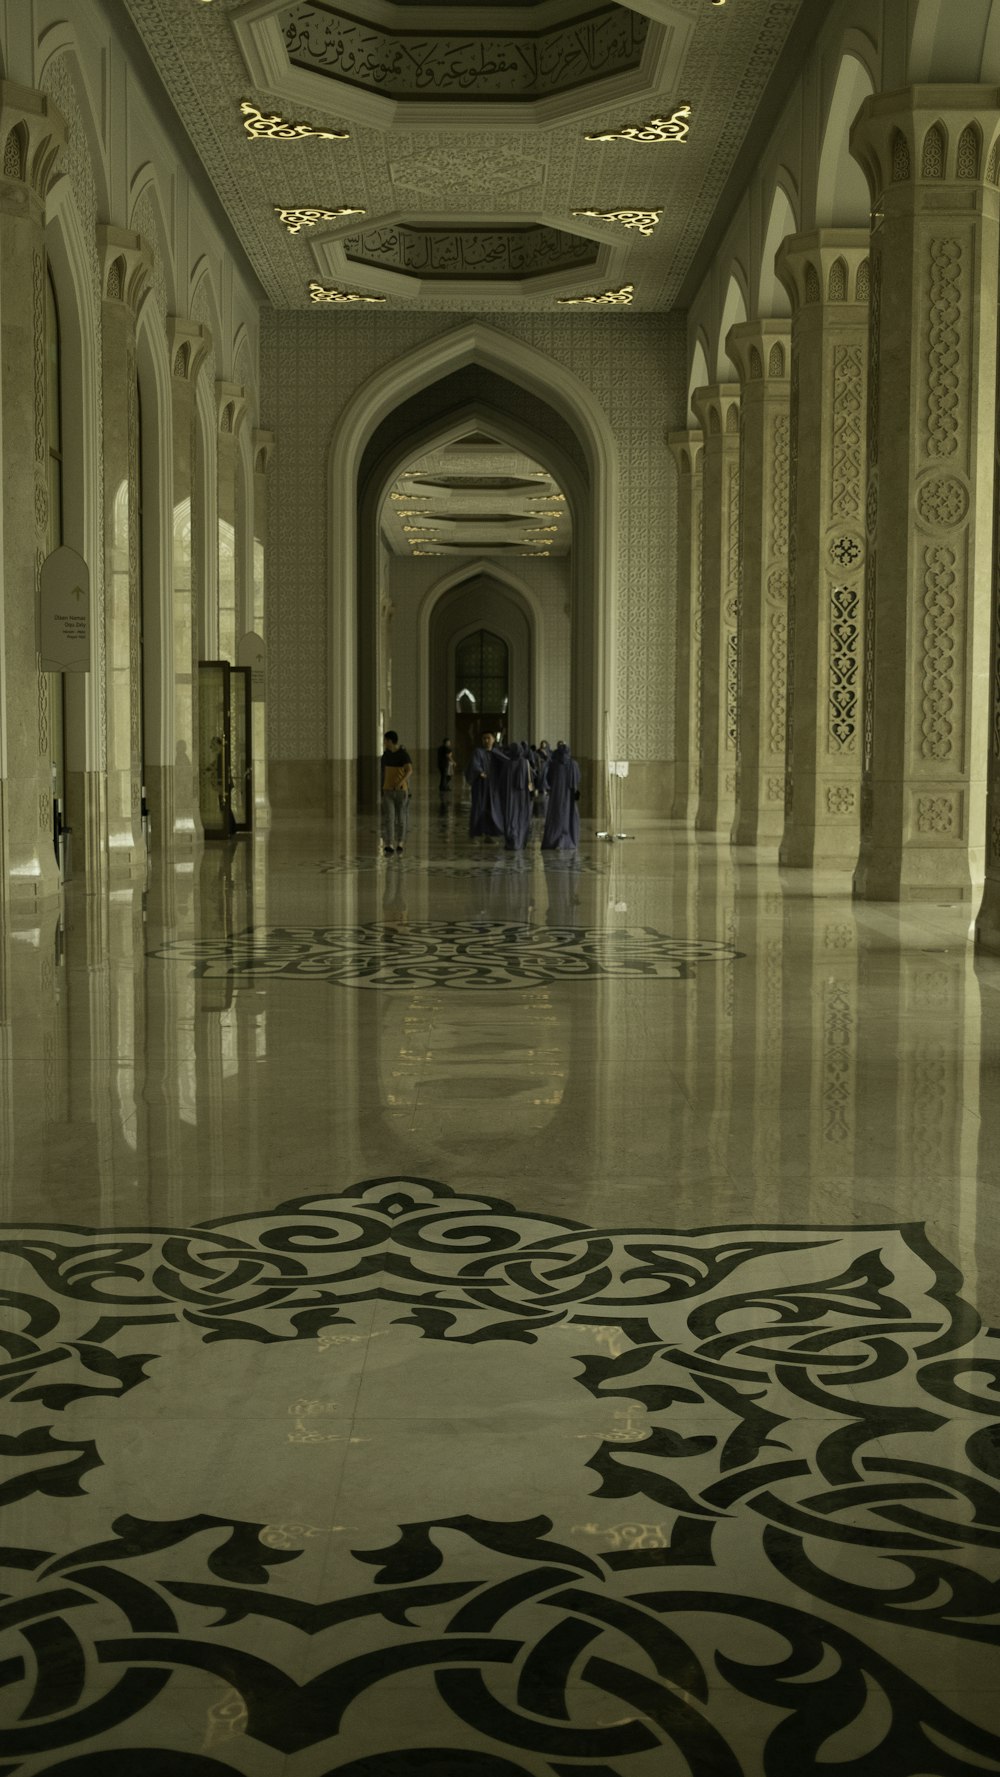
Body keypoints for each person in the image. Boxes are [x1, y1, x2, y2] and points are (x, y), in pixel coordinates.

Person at [541, 741, 581, 851]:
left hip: (556, 796)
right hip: (569, 796)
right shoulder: (573, 764)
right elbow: (578, 779)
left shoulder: (554, 764)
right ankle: (567, 841)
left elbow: (549, 779)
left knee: (557, 816)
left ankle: (554, 840)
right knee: (568, 816)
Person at [464, 730, 504, 839]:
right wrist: (480, 772)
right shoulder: (478, 752)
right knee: (479, 807)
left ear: (493, 739)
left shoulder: (497, 752)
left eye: (488, 738)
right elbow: (474, 764)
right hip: (480, 786)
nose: (486, 741)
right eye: (484, 738)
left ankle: (491, 831)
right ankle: (477, 831)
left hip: (493, 787)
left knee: (492, 808)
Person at [379, 730, 412, 855]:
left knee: (401, 818)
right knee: (389, 818)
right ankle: (389, 844)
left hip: (401, 791)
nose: (384, 743)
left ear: (390, 741)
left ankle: (400, 842)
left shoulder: (403, 754)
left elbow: (409, 770)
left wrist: (400, 783)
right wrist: (382, 788)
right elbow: (383, 773)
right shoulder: (385, 756)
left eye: (385, 740)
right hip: (387, 791)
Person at [504, 741, 535, 851]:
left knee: (510, 817)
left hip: (510, 796)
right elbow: (531, 777)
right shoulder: (525, 763)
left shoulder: (507, 764)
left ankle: (511, 842)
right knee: (521, 817)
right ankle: (520, 842)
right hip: (522, 796)